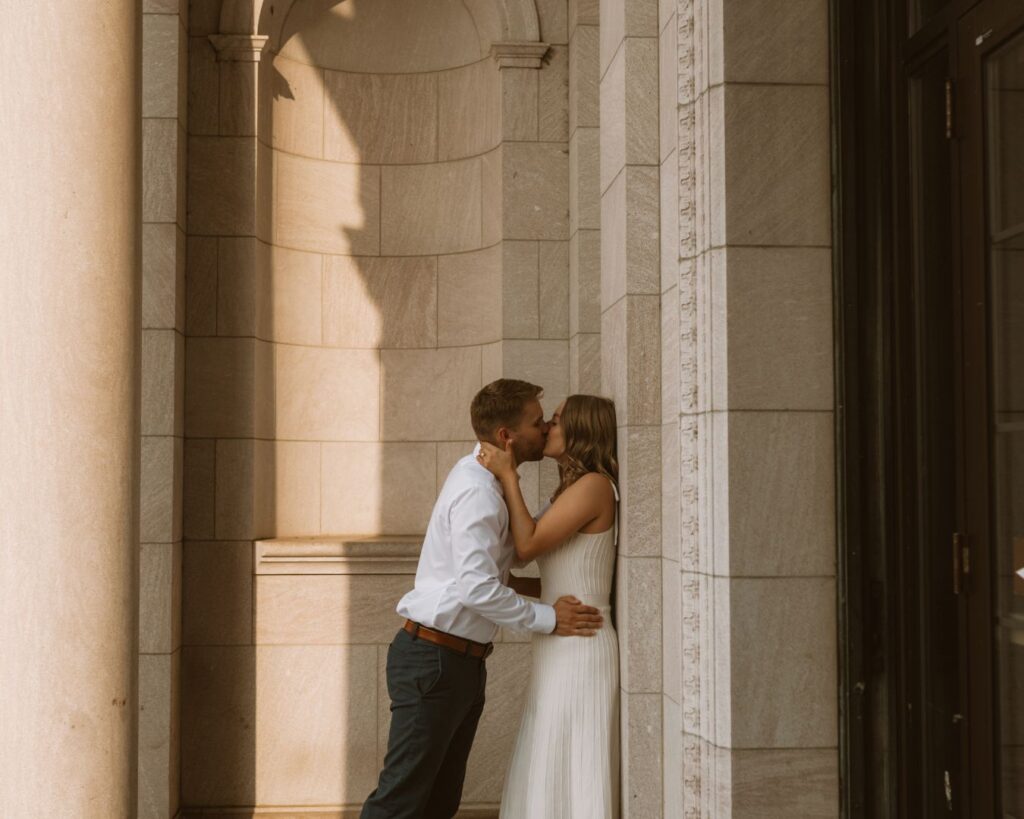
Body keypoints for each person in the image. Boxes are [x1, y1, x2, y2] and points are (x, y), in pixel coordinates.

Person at [360, 379, 604, 819]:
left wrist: (554, 597)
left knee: (437, 801)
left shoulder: (489, 481)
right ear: (506, 437)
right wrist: (549, 618)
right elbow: (478, 589)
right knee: (400, 802)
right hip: (435, 660)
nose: (545, 426)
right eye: (536, 421)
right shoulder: (479, 490)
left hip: (457, 662)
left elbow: (498, 575)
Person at [477, 394, 620, 819]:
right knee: (548, 750)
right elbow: (540, 565)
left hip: (582, 642)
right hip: (561, 637)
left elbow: (527, 542)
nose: (547, 430)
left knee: (570, 755)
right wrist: (503, 582)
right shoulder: (571, 489)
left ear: (579, 431)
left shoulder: (594, 485)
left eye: (555, 421)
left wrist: (509, 477)